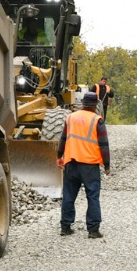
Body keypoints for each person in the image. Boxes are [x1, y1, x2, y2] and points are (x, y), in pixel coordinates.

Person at [57, 91, 111, 238]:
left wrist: (59, 156)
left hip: (71, 163)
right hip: (89, 165)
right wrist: (107, 166)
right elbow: (104, 145)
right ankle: (93, 230)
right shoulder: (97, 120)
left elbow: (63, 139)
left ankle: (65, 227)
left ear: (83, 103)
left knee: (69, 195)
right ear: (95, 105)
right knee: (92, 196)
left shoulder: (70, 118)